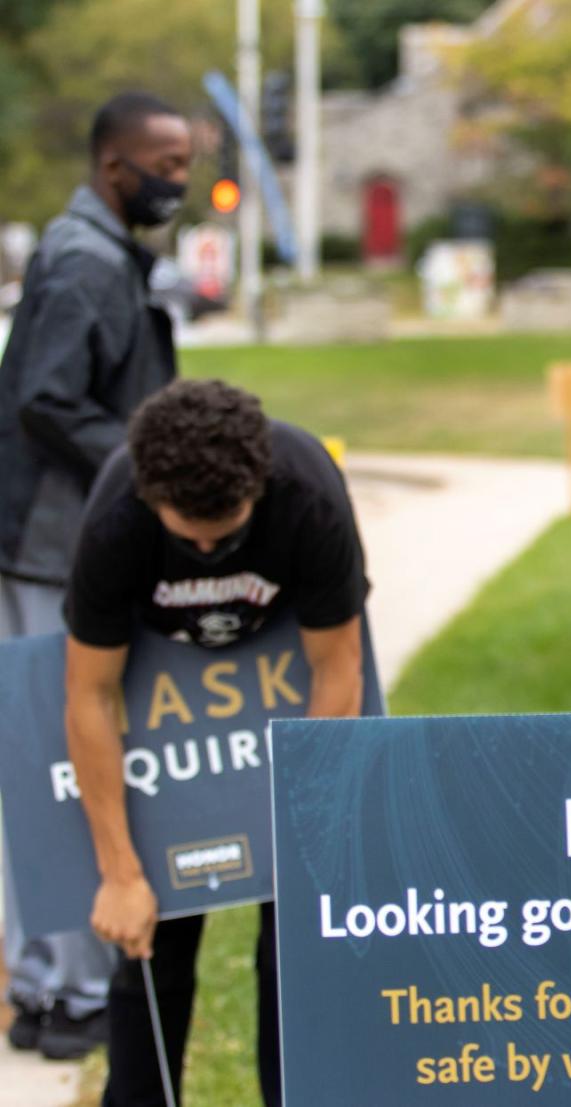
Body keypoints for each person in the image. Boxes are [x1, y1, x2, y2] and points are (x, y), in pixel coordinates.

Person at [64, 380, 368, 1106]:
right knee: (150, 945)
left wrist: (303, 844)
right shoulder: (116, 516)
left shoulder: (308, 496)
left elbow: (338, 669)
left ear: (257, 487)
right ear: (148, 495)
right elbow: (90, 693)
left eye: (225, 533)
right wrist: (118, 870)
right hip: (160, 701)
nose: (206, 551)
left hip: (282, 681)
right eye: (187, 536)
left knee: (292, 947)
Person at [1, 91, 192, 1061]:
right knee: (63, 767)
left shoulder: (106, 254)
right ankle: (65, 990)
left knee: (58, 761)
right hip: (50, 548)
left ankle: (49, 986)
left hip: (66, 542)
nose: (182, 179)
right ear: (115, 167)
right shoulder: (84, 264)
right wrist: (151, 467)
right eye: (167, 161)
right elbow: (43, 401)